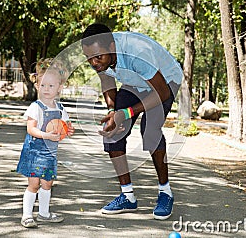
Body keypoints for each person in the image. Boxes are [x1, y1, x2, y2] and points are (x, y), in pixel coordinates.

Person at [82, 23, 183, 220]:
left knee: (150, 130)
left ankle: (165, 192)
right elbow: (107, 80)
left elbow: (161, 93)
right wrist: (113, 112)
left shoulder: (137, 53)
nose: (94, 63)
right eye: (89, 59)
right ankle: (127, 196)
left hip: (165, 81)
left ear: (111, 46)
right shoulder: (99, 55)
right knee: (112, 131)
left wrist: (126, 113)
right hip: (135, 82)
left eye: (98, 57)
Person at [16, 58, 74, 228]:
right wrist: (46, 135)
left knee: (47, 183)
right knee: (33, 184)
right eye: (43, 85)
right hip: (35, 151)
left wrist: (68, 131)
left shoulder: (61, 109)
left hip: (50, 153)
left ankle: (44, 213)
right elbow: (31, 129)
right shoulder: (36, 107)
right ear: (37, 86)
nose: (46, 89)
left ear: (59, 88)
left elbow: (66, 127)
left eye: (51, 86)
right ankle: (27, 215)